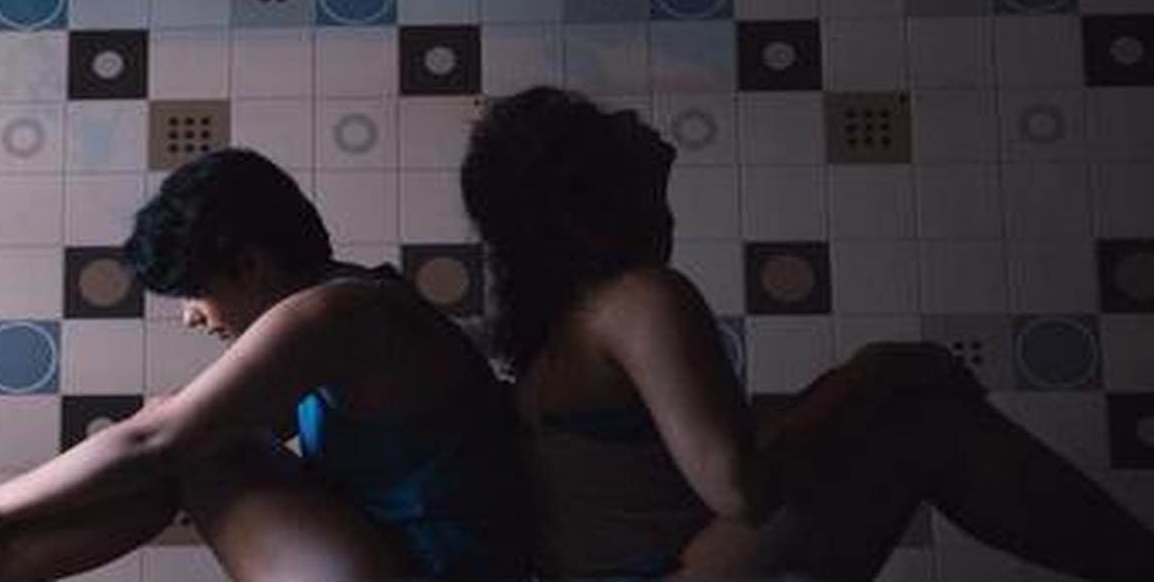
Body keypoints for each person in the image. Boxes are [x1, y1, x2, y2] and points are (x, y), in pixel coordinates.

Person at [460, 86, 1154, 581]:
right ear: (591, 181)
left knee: (871, 407)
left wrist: (855, 385)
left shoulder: (565, 330)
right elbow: (740, 491)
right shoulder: (636, 300)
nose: (633, 122)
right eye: (607, 126)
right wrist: (876, 371)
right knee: (923, 422)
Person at [0, 148, 529, 581]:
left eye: (193, 292)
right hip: (391, 553)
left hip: (435, 570)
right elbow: (166, 452)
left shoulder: (336, 314)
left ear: (252, 265)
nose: (191, 317)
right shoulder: (348, 301)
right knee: (196, 442)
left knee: (183, 440)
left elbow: (152, 442)